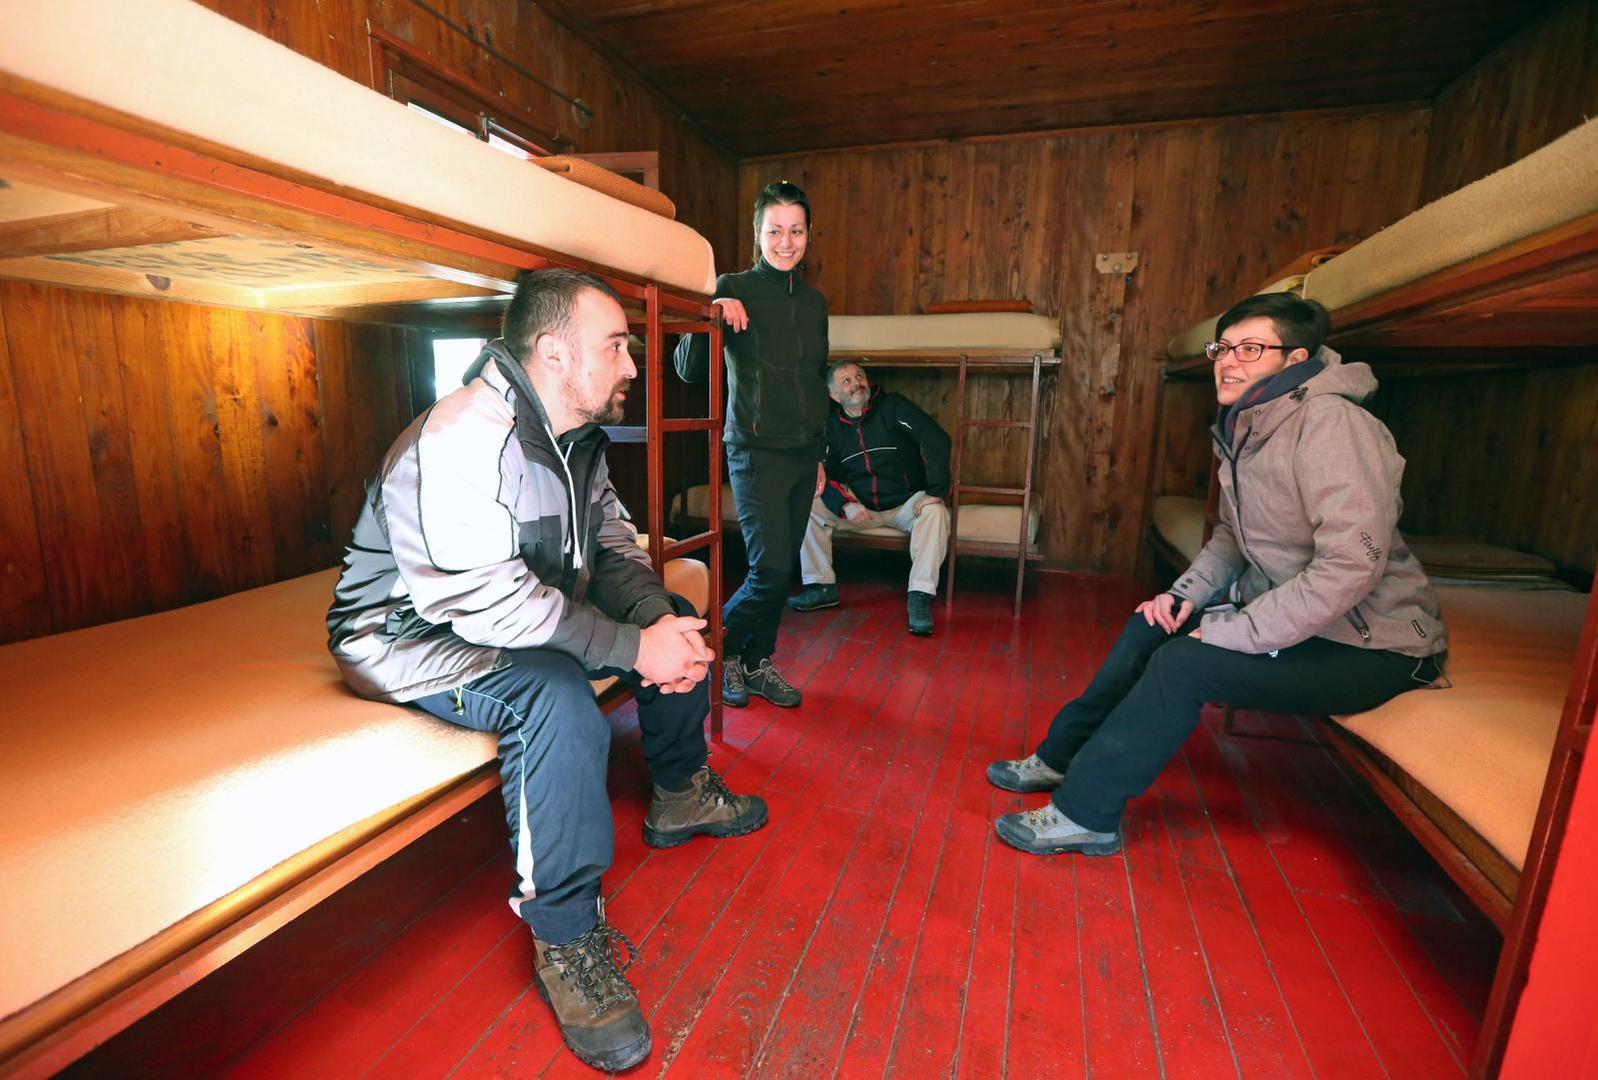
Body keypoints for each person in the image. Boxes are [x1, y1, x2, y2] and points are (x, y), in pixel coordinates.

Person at [327, 269, 767, 1074]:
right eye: (617, 346)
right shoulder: (461, 439)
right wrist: (635, 651)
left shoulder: (574, 440)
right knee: (555, 696)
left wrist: (654, 624)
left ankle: (678, 792)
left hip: (511, 604)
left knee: (667, 606)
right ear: (555, 353)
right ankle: (565, 938)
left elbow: (612, 545)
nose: (632, 365)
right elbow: (489, 608)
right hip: (404, 633)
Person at [986, 293, 1448, 857]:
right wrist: (1183, 596)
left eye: (1250, 349)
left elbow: (1352, 564)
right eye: (1223, 349)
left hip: (1372, 646)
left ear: (1295, 358)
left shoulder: (1334, 426)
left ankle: (1087, 815)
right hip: (1301, 624)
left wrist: (1238, 630)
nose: (1228, 362)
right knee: (1151, 625)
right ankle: (1060, 758)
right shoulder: (1250, 425)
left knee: (1185, 665)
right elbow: (1233, 537)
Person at [675, 180, 830, 709]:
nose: (786, 242)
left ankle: (754, 661)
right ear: (757, 234)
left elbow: (815, 380)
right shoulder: (732, 286)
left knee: (782, 573)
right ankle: (713, 652)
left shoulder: (814, 304)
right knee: (769, 571)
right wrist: (713, 313)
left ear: (808, 234)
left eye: (796, 231)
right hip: (755, 449)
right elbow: (688, 369)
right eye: (775, 231)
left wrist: (820, 455)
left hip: (803, 451)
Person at [788, 361, 952, 635]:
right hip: (862, 507)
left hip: (906, 504)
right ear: (833, 395)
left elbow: (938, 440)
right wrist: (846, 504)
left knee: (936, 513)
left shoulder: (893, 407)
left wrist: (935, 492)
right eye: (847, 381)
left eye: (859, 376)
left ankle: (920, 597)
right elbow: (821, 475)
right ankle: (821, 587)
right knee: (808, 503)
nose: (856, 383)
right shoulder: (831, 425)